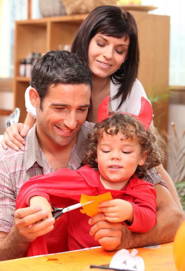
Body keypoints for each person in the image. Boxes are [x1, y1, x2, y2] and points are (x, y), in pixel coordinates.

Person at [1, 6, 184, 251]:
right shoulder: (13, 160)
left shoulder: (111, 137)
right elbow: (32, 125)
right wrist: (18, 131)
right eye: (60, 107)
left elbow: (152, 170)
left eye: (81, 108)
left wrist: (131, 228)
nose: (108, 55)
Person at [0, 50, 123, 260]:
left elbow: (172, 218)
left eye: (82, 109)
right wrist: (20, 236)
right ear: (34, 98)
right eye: (60, 108)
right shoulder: (7, 161)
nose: (72, 122)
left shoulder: (109, 142)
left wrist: (126, 236)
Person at [16, 110, 161, 257]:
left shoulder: (142, 188)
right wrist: (38, 200)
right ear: (96, 154)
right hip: (77, 262)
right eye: (106, 150)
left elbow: (149, 220)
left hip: (121, 260)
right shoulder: (82, 178)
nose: (115, 157)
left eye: (126, 152)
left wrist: (131, 212)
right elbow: (34, 185)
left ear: (142, 157)